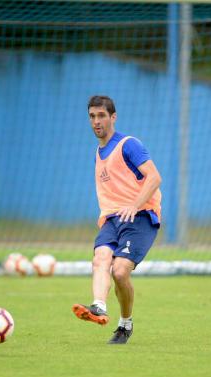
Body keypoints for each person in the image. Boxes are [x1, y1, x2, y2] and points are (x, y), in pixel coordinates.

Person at [72, 95, 162, 344]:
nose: (96, 121)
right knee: (100, 258)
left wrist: (134, 205)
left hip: (140, 216)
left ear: (113, 117)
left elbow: (154, 177)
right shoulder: (98, 153)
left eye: (101, 116)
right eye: (92, 116)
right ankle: (98, 306)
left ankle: (125, 324)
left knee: (120, 272)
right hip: (112, 220)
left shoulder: (128, 144)